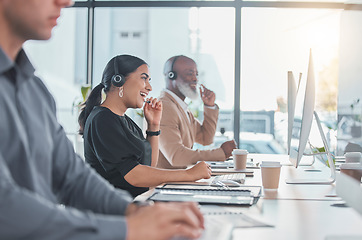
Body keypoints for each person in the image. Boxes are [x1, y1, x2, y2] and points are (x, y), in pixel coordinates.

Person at [0, 0, 204, 239]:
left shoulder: (34, 91)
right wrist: (129, 228)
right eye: (143, 78)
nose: (67, 2)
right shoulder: (102, 119)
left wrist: (134, 211)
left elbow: (72, 177)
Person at [78, 54, 211, 197]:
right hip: (114, 211)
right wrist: (189, 174)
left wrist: (153, 126)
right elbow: (134, 175)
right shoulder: (103, 120)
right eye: (143, 78)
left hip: (135, 204)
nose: (149, 87)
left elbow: (149, 166)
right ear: (119, 80)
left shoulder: (125, 120)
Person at [157, 55, 237, 169]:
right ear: (171, 76)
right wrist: (221, 153)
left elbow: (205, 138)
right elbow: (176, 156)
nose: (195, 79)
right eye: (190, 73)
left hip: (179, 181)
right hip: (165, 185)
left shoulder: (180, 107)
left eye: (196, 74)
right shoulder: (164, 107)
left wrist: (209, 106)